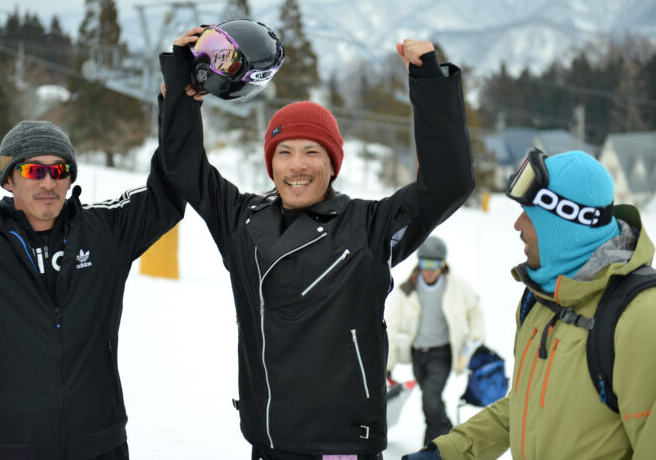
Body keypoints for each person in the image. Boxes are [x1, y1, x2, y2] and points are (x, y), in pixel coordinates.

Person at [159, 24, 474, 459]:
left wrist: (430, 85)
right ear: (271, 165)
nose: (296, 166)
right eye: (284, 152)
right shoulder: (242, 220)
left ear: (333, 164)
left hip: (340, 445)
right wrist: (181, 84)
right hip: (267, 443)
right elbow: (183, 167)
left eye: (312, 152)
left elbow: (448, 183)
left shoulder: (368, 226)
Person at [403, 149, 656, 459]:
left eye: (530, 215)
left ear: (567, 224)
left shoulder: (641, 317)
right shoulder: (543, 301)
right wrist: (448, 452)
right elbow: (525, 407)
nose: (517, 225)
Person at [0, 120, 185, 459]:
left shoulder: (104, 231)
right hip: (6, 448)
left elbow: (168, 192)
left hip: (100, 445)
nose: (48, 182)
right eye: (34, 170)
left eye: (59, 170)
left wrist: (179, 105)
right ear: (9, 178)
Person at [385, 236, 484, 444]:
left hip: (442, 353)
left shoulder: (456, 287)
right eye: (424, 264)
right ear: (418, 263)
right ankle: (450, 436)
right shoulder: (406, 290)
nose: (429, 270)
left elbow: (474, 311)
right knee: (432, 400)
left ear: (443, 264)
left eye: (435, 264)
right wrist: (388, 364)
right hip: (418, 355)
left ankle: (432, 448)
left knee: (430, 398)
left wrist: (476, 339)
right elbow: (391, 328)